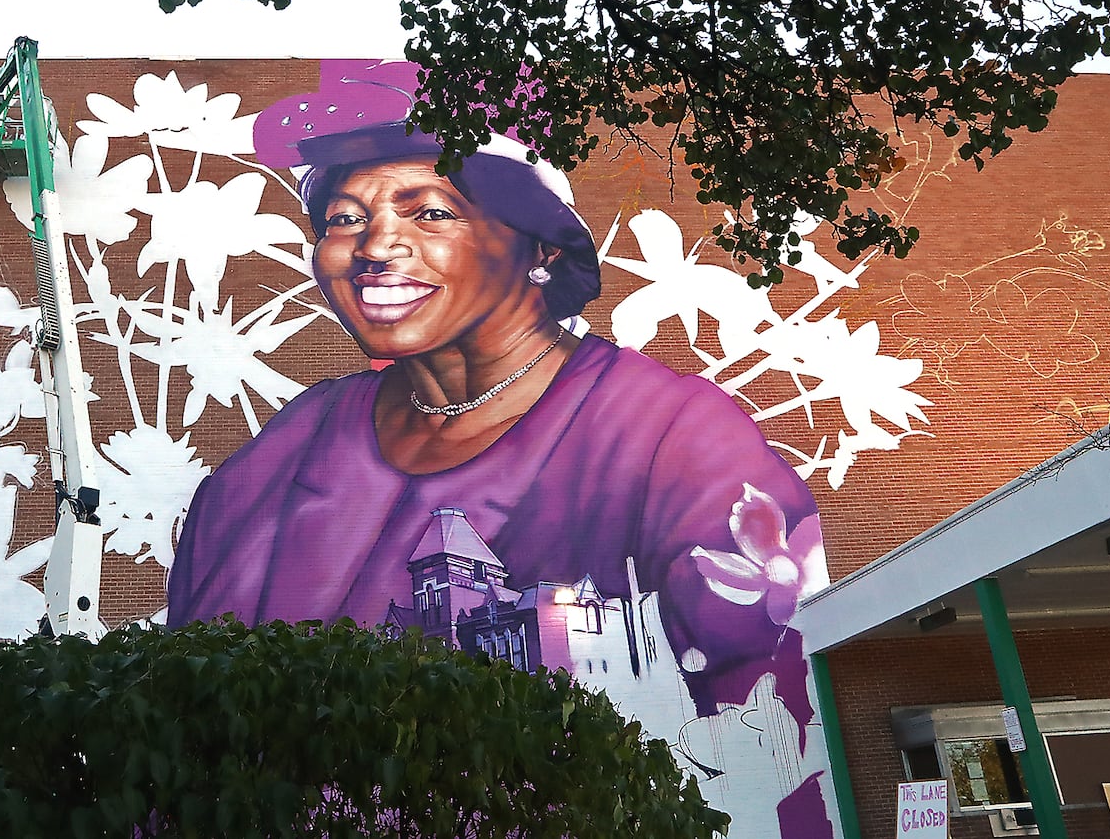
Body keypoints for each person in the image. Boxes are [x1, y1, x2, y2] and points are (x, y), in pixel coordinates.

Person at [166, 60, 824, 739]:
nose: (376, 246)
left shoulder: (671, 436)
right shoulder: (284, 451)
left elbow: (768, 720)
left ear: (536, 241)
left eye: (430, 212)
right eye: (342, 219)